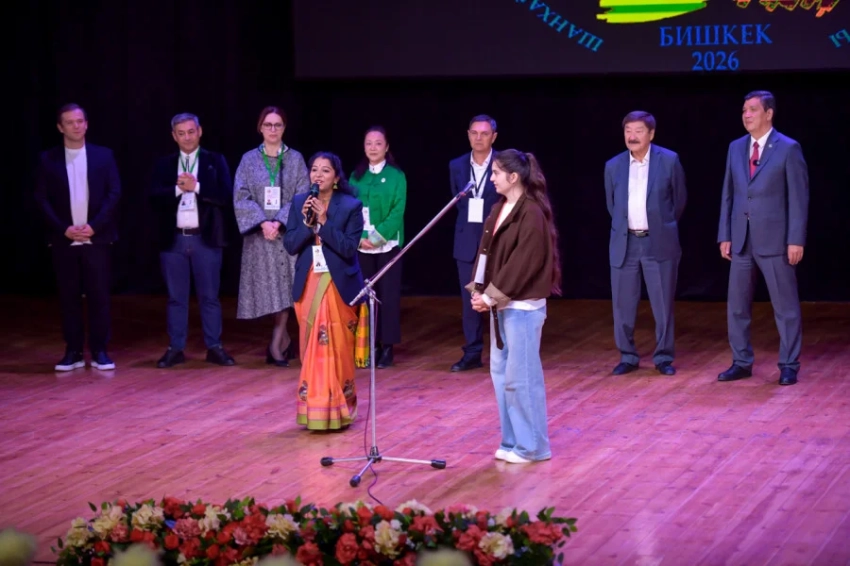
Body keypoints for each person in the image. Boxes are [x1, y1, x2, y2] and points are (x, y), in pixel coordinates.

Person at [467, 149, 561, 464]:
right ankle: (512, 440)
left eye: (496, 173)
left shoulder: (531, 212)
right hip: (501, 305)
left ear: (513, 176)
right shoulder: (499, 208)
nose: (492, 178)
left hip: (522, 307)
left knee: (522, 378)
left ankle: (532, 447)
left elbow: (524, 262)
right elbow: (486, 252)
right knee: (502, 375)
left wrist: (491, 296)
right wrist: (478, 289)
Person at [717, 90, 809, 386]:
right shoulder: (735, 147)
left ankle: (789, 364)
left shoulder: (788, 148)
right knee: (737, 306)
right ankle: (741, 361)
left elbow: (798, 198)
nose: (746, 115)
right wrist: (725, 234)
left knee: (785, 307)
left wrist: (796, 239)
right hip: (741, 239)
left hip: (776, 240)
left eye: (753, 110)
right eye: (744, 110)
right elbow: (728, 193)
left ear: (769, 113)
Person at [34, 103, 121, 372]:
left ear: (87, 124)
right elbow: (41, 198)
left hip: (97, 238)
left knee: (99, 296)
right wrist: (63, 228)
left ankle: (100, 350)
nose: (76, 126)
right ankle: (72, 351)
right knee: (68, 297)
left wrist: (94, 226)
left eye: (80, 121)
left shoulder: (103, 156)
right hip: (64, 239)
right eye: (70, 122)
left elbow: (114, 193)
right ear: (60, 127)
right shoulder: (47, 159)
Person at [284, 152, 365, 430]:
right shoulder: (299, 202)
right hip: (309, 281)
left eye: (325, 170)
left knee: (336, 349)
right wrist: (309, 226)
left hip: (337, 283)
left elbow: (348, 248)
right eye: (314, 170)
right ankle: (314, 410)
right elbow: (290, 245)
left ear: (337, 177)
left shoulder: (351, 206)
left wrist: (323, 223)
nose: (318, 175)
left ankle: (340, 409)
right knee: (313, 350)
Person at [149, 112, 236, 368]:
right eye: (181, 133)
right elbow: (153, 196)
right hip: (174, 240)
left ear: (199, 131)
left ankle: (214, 347)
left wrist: (196, 187)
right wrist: (179, 189)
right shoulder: (165, 164)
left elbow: (225, 195)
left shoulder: (214, 160)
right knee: (176, 298)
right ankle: (175, 348)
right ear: (174, 136)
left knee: (210, 297)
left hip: (205, 239)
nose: (187, 137)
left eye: (191, 131)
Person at [604, 111, 687, 376]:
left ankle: (663, 357)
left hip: (658, 242)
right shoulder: (613, 165)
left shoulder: (669, 160)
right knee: (623, 306)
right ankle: (627, 356)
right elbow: (612, 205)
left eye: (638, 131)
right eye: (628, 130)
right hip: (625, 242)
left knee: (662, 304)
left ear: (651, 134)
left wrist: (661, 226)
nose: (632, 136)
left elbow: (678, 202)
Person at [233, 106, 309, 366]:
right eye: (268, 125)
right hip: (260, 236)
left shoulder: (295, 159)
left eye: (278, 125)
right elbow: (241, 196)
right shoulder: (248, 160)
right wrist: (263, 223)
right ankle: (284, 340)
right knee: (269, 289)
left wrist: (279, 221)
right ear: (260, 128)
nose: (273, 129)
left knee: (287, 287)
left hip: (286, 234)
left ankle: (277, 342)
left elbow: (302, 195)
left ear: (284, 128)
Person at [349, 126, 407, 369]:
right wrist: (361, 237)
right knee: (365, 297)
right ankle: (368, 344)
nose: (373, 148)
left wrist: (376, 237)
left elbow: (397, 211)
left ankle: (388, 346)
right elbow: (350, 208)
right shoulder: (356, 176)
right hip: (361, 246)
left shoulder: (396, 176)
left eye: (378, 143)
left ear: (386, 147)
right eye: (369, 143)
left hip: (387, 246)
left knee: (388, 297)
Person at [449, 114, 501, 372]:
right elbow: (458, 201)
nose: (478, 138)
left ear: (494, 137)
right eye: (474, 133)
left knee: (499, 296)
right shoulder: (456, 165)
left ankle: (502, 351)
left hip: (497, 240)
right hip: (467, 240)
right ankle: (472, 352)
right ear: (468, 135)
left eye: (484, 133)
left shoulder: (503, 163)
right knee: (470, 300)